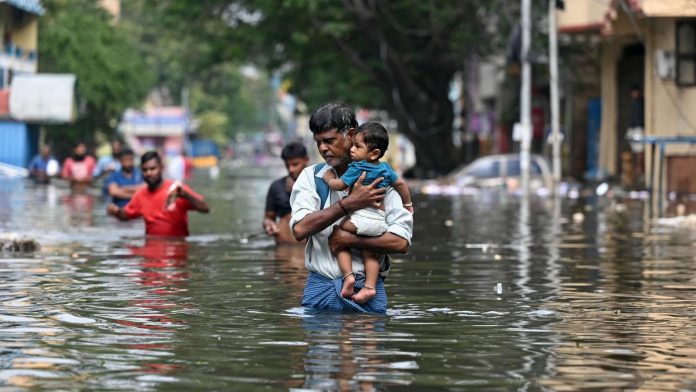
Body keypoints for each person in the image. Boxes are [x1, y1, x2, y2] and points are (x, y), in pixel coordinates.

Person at [290, 102, 413, 313]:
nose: (323, 149)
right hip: (320, 293)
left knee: (366, 345)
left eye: (329, 140)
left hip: (368, 294)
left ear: (351, 134)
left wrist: (349, 239)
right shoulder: (312, 177)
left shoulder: (382, 178)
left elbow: (401, 242)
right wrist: (349, 204)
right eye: (318, 142)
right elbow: (300, 229)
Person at [321, 122, 414, 304]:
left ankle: (348, 277)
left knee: (338, 235)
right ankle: (370, 287)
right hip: (379, 221)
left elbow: (341, 185)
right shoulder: (386, 169)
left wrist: (329, 179)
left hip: (361, 218)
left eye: (357, 146)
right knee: (369, 250)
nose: (352, 150)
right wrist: (408, 204)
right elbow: (401, 184)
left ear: (374, 153)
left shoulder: (357, 167)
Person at [106, 151, 210, 236]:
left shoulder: (177, 189)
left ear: (161, 168)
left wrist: (186, 196)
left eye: (152, 169)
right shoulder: (141, 195)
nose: (149, 173)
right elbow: (126, 215)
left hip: (177, 251)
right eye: (145, 170)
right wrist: (116, 211)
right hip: (151, 251)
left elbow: (205, 208)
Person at [263, 142, 310, 245]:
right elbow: (268, 218)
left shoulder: (319, 183)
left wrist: (297, 191)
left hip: (310, 249)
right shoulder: (276, 187)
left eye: (295, 164)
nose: (291, 169)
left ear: (306, 160)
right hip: (283, 247)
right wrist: (269, 225)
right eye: (287, 165)